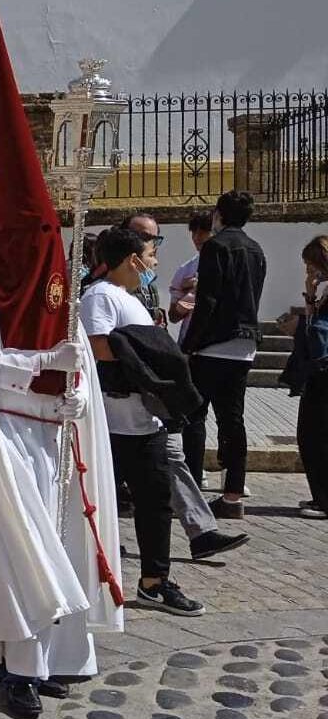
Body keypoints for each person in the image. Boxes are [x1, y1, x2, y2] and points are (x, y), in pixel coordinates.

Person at [0, 5, 123, 719]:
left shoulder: (54, 288)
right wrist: (46, 364)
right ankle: (15, 663)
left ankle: (54, 656)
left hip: (49, 435)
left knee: (54, 544)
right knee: (14, 549)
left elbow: (65, 361)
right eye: (36, 233)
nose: (49, 246)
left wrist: (77, 382)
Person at [81, 227, 205, 618]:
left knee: (156, 504)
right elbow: (98, 345)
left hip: (145, 421)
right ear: (132, 259)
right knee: (97, 505)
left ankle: (154, 582)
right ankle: (87, 580)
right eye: (150, 254)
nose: (154, 262)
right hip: (113, 425)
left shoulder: (128, 298)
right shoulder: (100, 295)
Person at [114, 213, 248, 560]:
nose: (153, 249)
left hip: (147, 392)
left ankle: (201, 531)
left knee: (170, 456)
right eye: (146, 240)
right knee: (111, 472)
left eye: (156, 240)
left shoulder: (144, 281)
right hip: (120, 394)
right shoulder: (103, 290)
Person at [182, 190, 267, 518]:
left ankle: (191, 487)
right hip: (244, 344)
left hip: (214, 343)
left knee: (195, 415)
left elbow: (208, 301)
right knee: (233, 420)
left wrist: (190, 344)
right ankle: (233, 493)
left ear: (220, 214)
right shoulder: (256, 250)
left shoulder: (216, 247)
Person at [282, 235, 328, 519]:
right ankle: (319, 495)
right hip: (318, 371)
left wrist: (301, 325)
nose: (309, 274)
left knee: (315, 436)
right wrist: (310, 297)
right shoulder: (322, 291)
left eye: (312, 268)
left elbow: (318, 331)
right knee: (311, 434)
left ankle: (324, 500)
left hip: (324, 371)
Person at [167, 211, 213, 345]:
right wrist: (190, 296)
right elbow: (173, 317)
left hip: (220, 343)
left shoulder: (230, 266)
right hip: (190, 343)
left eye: (203, 232)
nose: (197, 237)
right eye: (194, 232)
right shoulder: (185, 270)